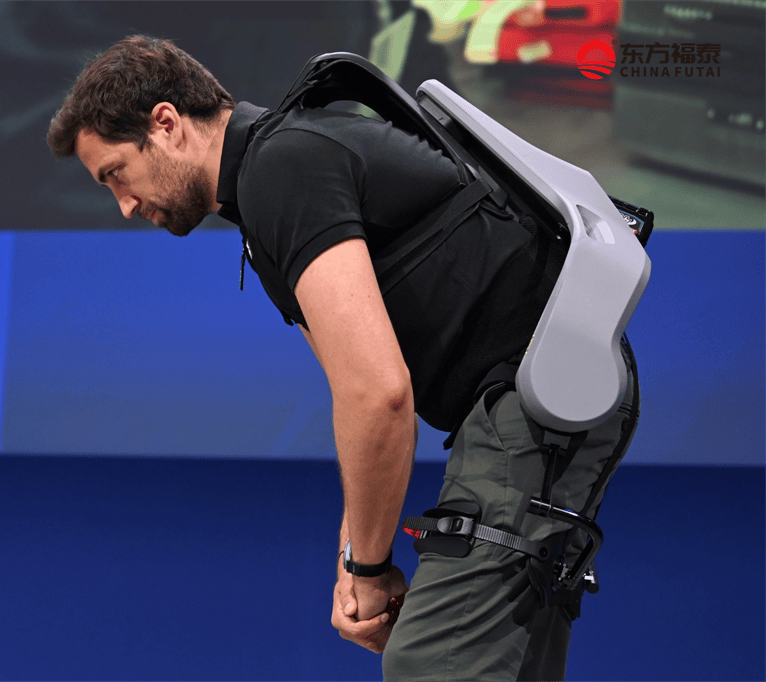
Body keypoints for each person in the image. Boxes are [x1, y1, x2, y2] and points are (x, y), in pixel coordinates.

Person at [46, 35, 638, 681]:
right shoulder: (273, 178)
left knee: (429, 664)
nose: (125, 205)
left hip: (539, 393)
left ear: (166, 124)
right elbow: (359, 397)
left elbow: (379, 397)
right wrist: (354, 563)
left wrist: (368, 567)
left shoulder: (283, 168)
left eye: (116, 174)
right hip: (533, 396)